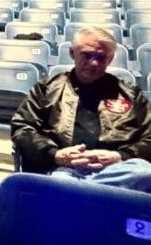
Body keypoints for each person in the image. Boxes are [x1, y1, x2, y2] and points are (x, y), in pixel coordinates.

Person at [11, 27, 151, 192]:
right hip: (66, 168)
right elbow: (22, 127)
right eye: (87, 55)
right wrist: (55, 154)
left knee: (144, 173)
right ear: (72, 53)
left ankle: (79, 193)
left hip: (117, 169)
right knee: (60, 182)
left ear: (111, 59)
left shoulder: (130, 94)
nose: (93, 63)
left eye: (101, 57)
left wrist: (121, 156)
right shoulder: (47, 89)